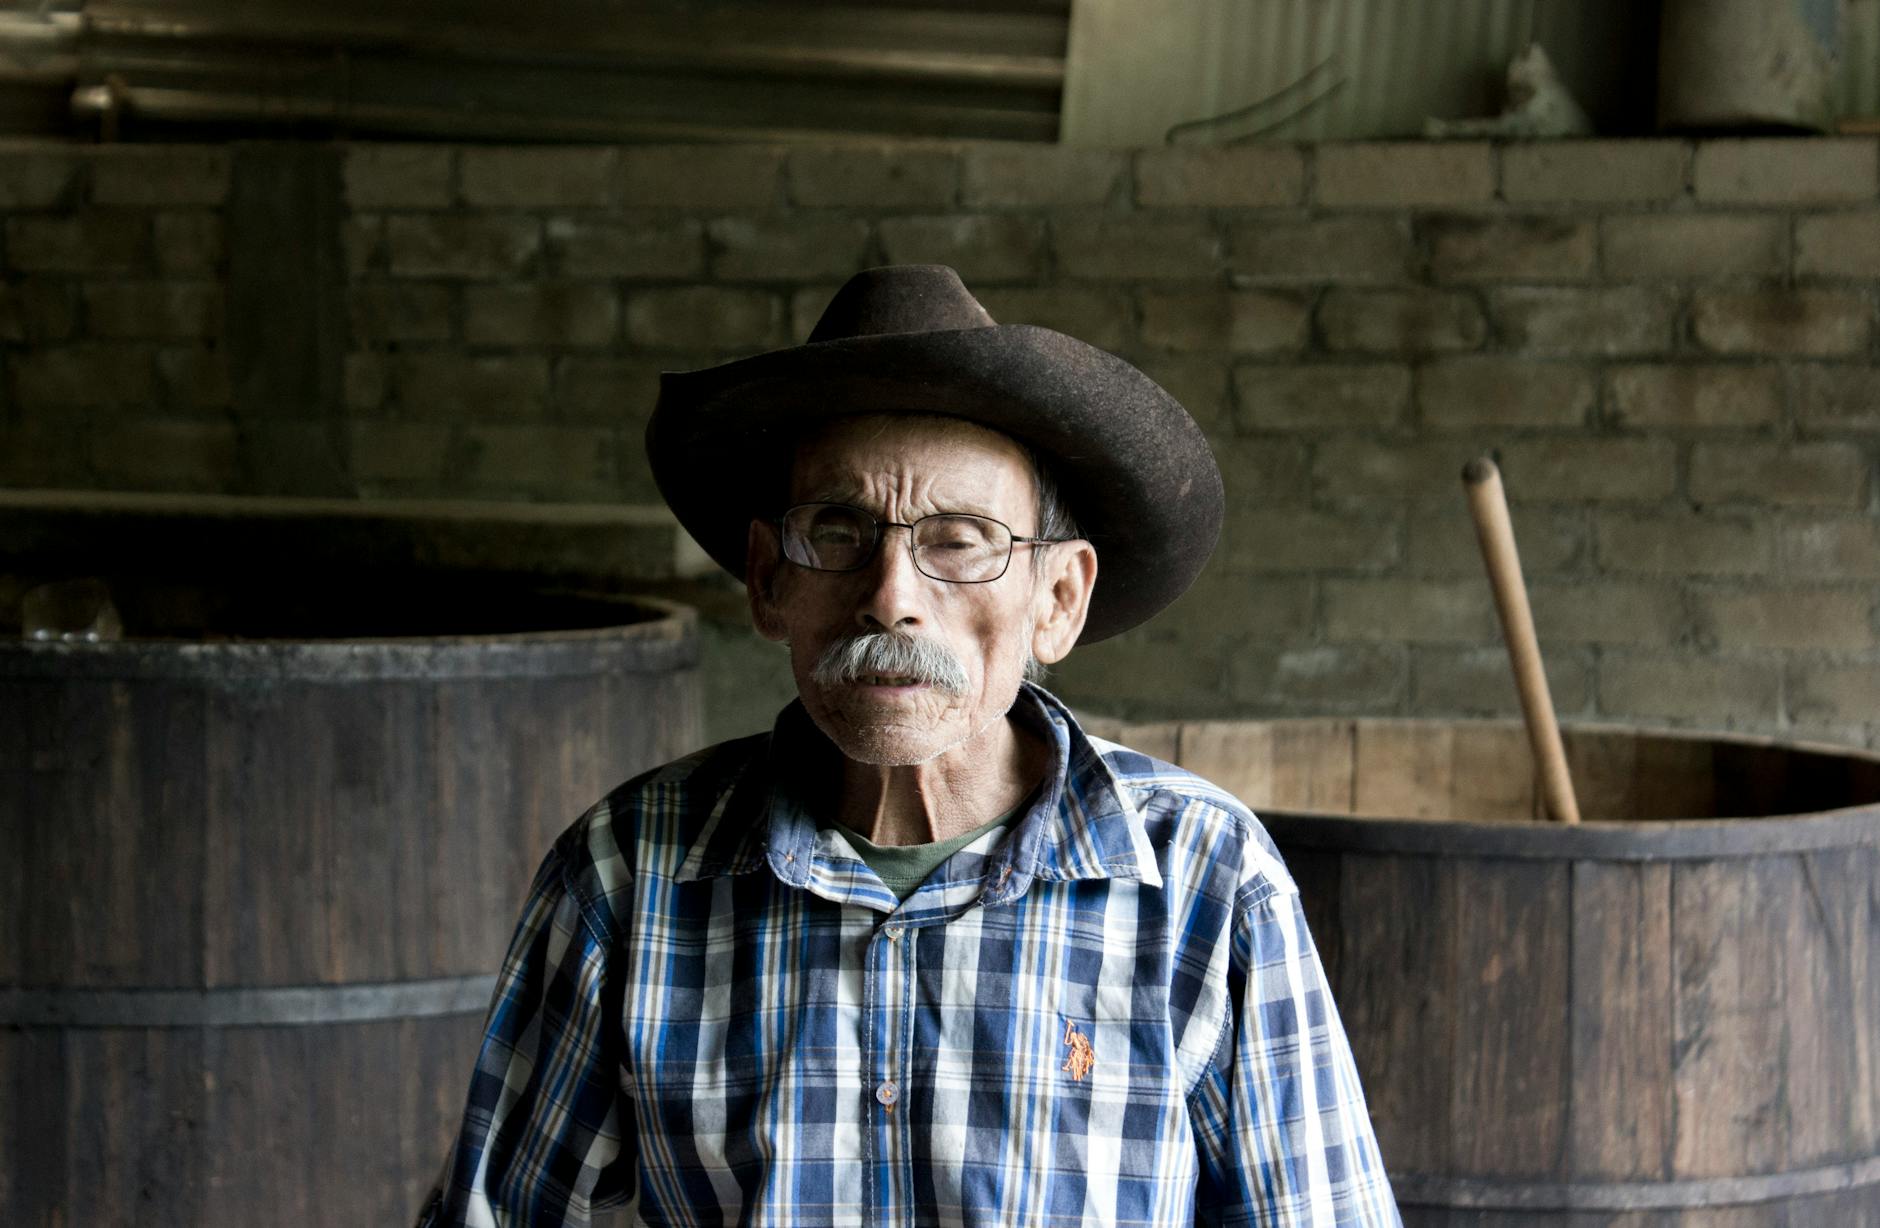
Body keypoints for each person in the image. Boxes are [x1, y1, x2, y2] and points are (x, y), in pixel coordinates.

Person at [417, 265, 1400, 1227]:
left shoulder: (1200, 878)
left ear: (1057, 598)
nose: (890, 596)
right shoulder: (630, 872)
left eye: (959, 539)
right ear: (768, 581)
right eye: (837, 531)